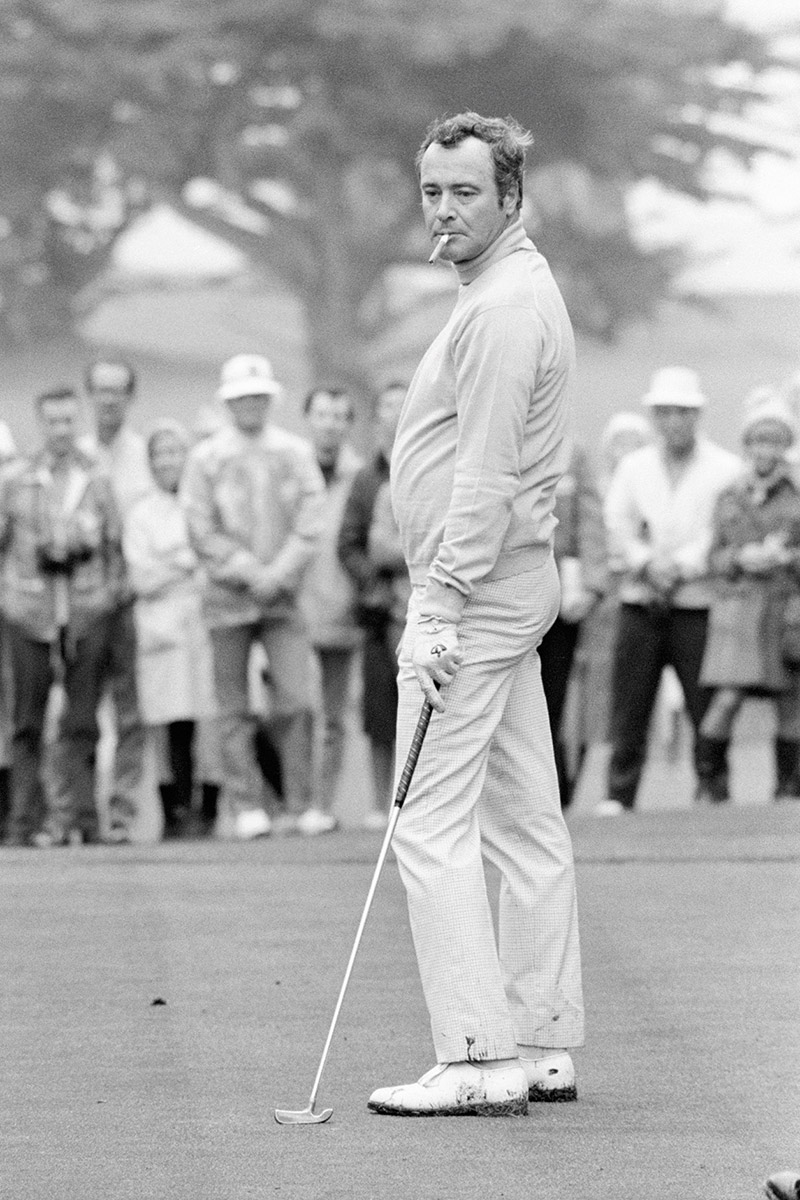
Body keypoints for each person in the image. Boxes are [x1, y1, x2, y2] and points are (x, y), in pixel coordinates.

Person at [367, 112, 583, 1118]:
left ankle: (474, 1054)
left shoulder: (500, 307)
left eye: (463, 192)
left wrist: (439, 602)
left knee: (428, 825)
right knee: (523, 817)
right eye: (432, 192)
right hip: (509, 587)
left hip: (478, 592)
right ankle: (538, 1039)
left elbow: (486, 472)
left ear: (509, 197)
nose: (444, 211)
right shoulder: (501, 289)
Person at [182, 353, 325, 839]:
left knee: (296, 699)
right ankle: (246, 805)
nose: (250, 405)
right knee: (232, 706)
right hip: (227, 600)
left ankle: (301, 802)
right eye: (241, 398)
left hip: (282, 599)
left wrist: (278, 571)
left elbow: (311, 518)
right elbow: (199, 527)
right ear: (228, 402)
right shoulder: (206, 458)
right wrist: (248, 570)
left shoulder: (294, 452)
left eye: (258, 397)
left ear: (270, 399)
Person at [601, 366, 742, 814]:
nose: (674, 421)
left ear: (695, 415)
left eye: (682, 412)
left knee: (704, 702)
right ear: (655, 417)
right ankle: (620, 796)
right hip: (641, 601)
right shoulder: (633, 466)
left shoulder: (725, 468)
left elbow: (722, 530)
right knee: (631, 703)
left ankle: (713, 788)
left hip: (696, 602)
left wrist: (679, 566)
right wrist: (647, 562)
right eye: (665, 412)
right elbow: (616, 524)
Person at [0, 388, 125, 846]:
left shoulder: (96, 477)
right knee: (27, 721)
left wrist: (107, 597)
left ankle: (85, 820)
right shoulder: (17, 479)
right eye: (52, 421)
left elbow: (115, 545)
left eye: (68, 421)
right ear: (40, 423)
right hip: (28, 612)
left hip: (87, 612)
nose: (61, 430)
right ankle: (23, 822)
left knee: (84, 721)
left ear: (79, 422)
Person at [699, 390, 800, 802]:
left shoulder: (795, 498)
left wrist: (785, 558)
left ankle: (788, 787)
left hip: (785, 610)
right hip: (740, 613)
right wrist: (741, 557)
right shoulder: (729, 496)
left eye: (775, 441)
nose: (766, 450)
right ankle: (710, 782)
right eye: (759, 440)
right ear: (748, 445)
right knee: (726, 700)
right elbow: (714, 557)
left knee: (790, 705)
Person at [124, 420, 219, 837]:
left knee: (208, 715)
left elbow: (211, 563)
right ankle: (174, 811)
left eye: (175, 451)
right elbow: (142, 577)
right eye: (159, 453)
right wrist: (183, 562)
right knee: (168, 720)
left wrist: (177, 564)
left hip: (202, 623)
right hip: (160, 628)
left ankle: (209, 809)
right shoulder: (141, 513)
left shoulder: (203, 505)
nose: (168, 461)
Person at [81, 359, 152, 842]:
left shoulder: (146, 455)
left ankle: (123, 813)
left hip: (133, 601)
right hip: (85, 604)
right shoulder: (76, 456)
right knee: (80, 713)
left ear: (130, 396)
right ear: (91, 395)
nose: (109, 399)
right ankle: (80, 815)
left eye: (118, 391)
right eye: (101, 391)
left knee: (131, 714)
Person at [338, 381, 408, 828]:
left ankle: (421, 803)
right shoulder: (367, 479)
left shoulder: (439, 465)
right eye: (388, 407)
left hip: (425, 605)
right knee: (380, 711)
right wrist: (374, 578)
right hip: (380, 610)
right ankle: (382, 804)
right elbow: (349, 544)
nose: (396, 414)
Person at [298, 387, 364, 834]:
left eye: (340, 415)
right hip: (293, 609)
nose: (330, 424)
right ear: (307, 418)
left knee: (333, 717)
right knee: (293, 709)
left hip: (343, 607)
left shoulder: (359, 476)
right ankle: (293, 800)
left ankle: (321, 805)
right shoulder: (290, 465)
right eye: (322, 414)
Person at [538, 442, 607, 805]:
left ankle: (550, 793)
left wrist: (592, 586)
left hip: (561, 598)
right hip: (505, 596)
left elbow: (590, 521)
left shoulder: (570, 452)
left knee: (552, 700)